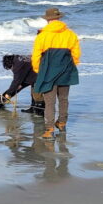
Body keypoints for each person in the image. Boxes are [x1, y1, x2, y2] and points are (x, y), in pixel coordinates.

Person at [31, 7, 80, 139]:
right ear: (59, 18)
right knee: (64, 99)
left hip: (48, 70)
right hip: (66, 69)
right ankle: (62, 123)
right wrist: (70, 67)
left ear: (48, 20)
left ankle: (50, 129)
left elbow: (35, 56)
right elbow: (76, 54)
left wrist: (37, 70)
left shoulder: (42, 35)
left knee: (50, 102)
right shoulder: (71, 34)